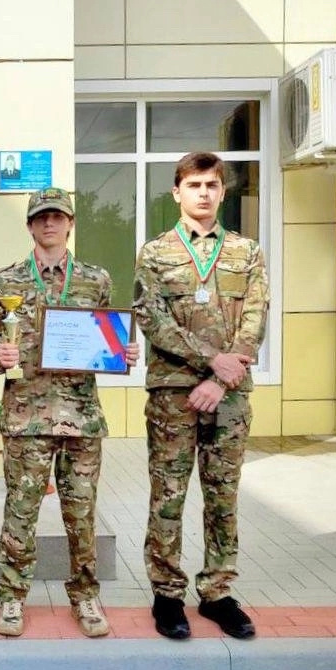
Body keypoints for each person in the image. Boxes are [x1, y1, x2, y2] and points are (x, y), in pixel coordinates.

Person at [0, 187, 139, 638]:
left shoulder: (96, 279)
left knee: (81, 514)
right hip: (25, 419)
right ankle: (12, 598)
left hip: (81, 417)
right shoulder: (5, 281)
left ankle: (85, 597)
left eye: (58, 216)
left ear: (70, 223)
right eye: (41, 217)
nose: (49, 223)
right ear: (30, 225)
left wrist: (124, 351)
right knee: (20, 514)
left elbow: (107, 336)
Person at [132, 151, 269, 641]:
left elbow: (255, 319)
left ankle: (217, 592)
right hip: (173, 395)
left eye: (212, 185)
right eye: (194, 185)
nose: (204, 193)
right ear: (177, 192)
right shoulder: (156, 253)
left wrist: (221, 379)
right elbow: (151, 319)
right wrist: (211, 360)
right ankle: (167, 593)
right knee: (168, 496)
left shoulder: (246, 253)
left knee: (222, 496)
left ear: (223, 191)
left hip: (228, 398)